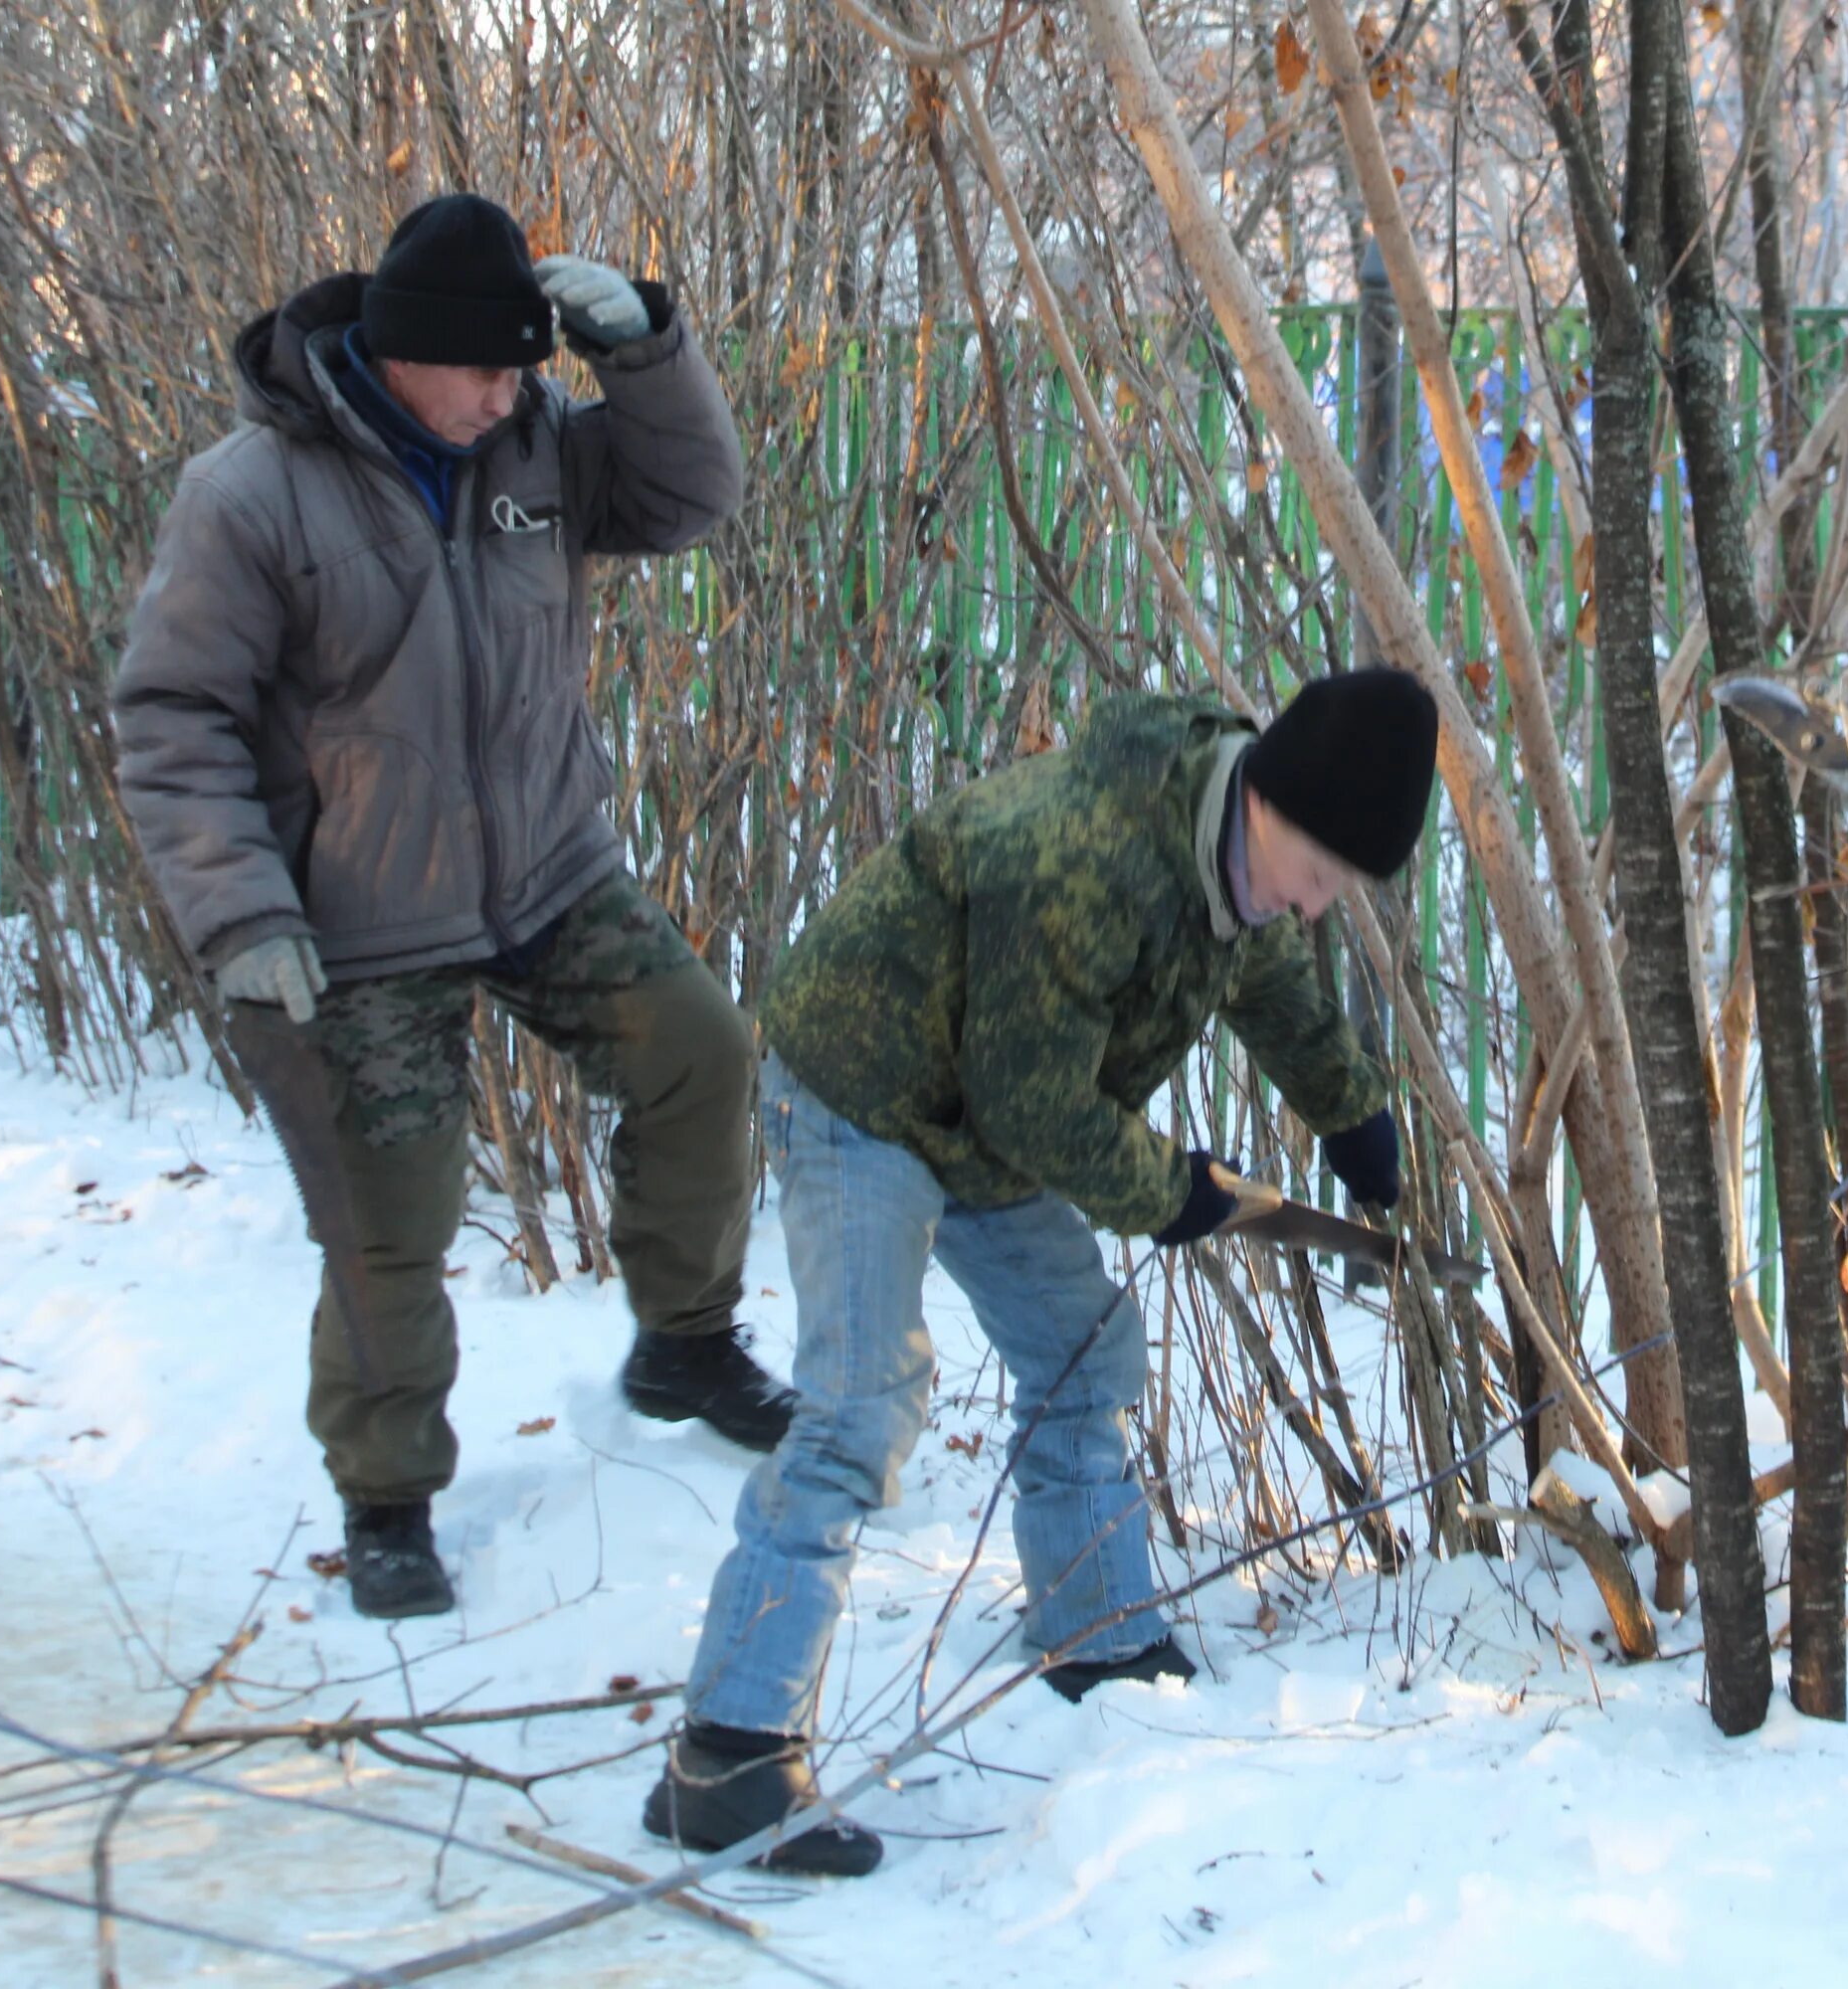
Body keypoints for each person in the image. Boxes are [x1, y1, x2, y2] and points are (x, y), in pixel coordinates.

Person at [112, 193, 797, 1623]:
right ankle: (387, 1496)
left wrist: (650, 351)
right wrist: (242, 913)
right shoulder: (252, 496)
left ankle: (685, 1339)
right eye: (492, 368)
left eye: (531, 367)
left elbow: (692, 498)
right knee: (391, 1213)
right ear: (403, 353)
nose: (513, 391)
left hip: (546, 873)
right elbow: (174, 717)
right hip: (356, 919)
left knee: (702, 1053)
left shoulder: (536, 445)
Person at [642, 668, 1435, 1879]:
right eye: (1323, 877)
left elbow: (1263, 977)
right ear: (1272, 806)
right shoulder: (1088, 858)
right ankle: (729, 1748)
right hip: (866, 1086)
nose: (1320, 909)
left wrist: (1349, 1117)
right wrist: (1171, 1189)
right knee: (863, 1401)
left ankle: (1095, 1628)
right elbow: (1035, 1098)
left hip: (978, 1110)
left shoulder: (1238, 855)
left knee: (1085, 1345)